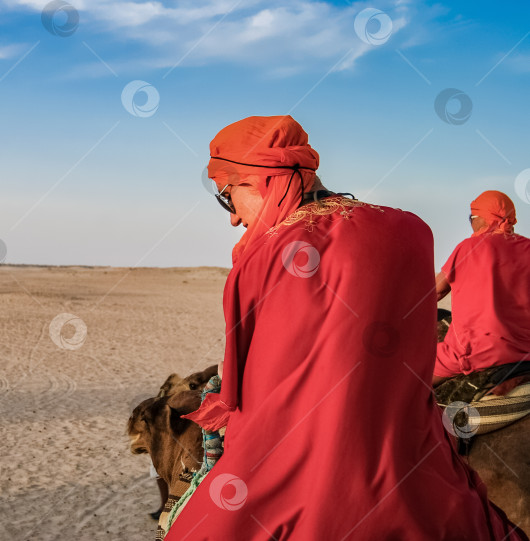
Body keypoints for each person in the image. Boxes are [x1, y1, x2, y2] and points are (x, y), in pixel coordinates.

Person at [165, 116, 526, 540]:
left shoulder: (266, 254)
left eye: (229, 197)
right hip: (417, 469)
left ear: (262, 179)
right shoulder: (412, 230)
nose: (232, 219)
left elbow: (250, 401)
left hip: (312, 487)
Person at [434, 191, 530, 383]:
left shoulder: (469, 246)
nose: (471, 223)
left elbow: (435, 292)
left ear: (483, 219)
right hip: (525, 351)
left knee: (409, 381)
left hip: (477, 352)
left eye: (471, 218)